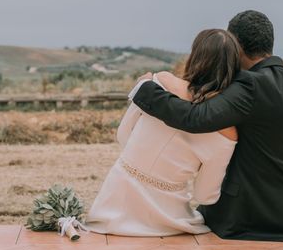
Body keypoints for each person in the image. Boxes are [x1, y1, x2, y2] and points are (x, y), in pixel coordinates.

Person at [131, 10, 283, 241]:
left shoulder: (250, 85)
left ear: (235, 45)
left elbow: (195, 118)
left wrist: (146, 89)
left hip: (246, 216)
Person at [86, 29, 241, 236]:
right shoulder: (227, 131)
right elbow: (205, 196)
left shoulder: (159, 83)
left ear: (195, 56)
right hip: (172, 219)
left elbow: (123, 135)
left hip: (115, 207)